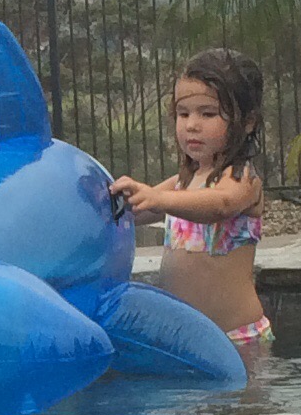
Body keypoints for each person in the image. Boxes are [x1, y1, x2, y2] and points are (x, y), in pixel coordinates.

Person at [110, 47, 271, 356]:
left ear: (248, 122)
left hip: (236, 340)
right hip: (185, 343)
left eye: (207, 114)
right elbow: (136, 211)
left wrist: (158, 198)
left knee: (244, 392)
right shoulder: (182, 182)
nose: (191, 125)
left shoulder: (243, 180)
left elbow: (221, 204)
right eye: (183, 114)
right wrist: (111, 203)